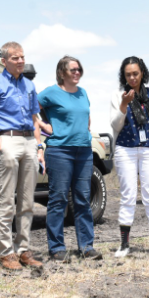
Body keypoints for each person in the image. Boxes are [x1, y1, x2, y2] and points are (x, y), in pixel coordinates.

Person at [0, 42, 46, 272]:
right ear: (4, 61)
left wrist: (39, 147)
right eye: (15, 58)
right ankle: (6, 252)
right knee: (6, 201)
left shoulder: (29, 85)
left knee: (27, 201)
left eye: (22, 57)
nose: (20, 61)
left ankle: (23, 249)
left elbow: (35, 118)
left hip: (29, 141)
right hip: (6, 140)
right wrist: (1, 146)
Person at [39, 55, 99, 260]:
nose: (77, 72)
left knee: (82, 199)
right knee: (59, 199)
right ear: (62, 72)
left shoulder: (83, 93)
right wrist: (45, 127)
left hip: (83, 151)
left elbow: (86, 115)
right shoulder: (51, 93)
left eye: (79, 69)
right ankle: (56, 248)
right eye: (73, 69)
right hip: (59, 151)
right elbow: (31, 109)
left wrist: (86, 131)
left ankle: (87, 247)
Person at [107, 56, 149, 259]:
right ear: (123, 76)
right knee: (128, 195)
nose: (132, 78)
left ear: (142, 73)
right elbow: (115, 125)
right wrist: (124, 105)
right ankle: (124, 245)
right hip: (126, 149)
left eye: (135, 73)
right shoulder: (118, 96)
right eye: (128, 74)